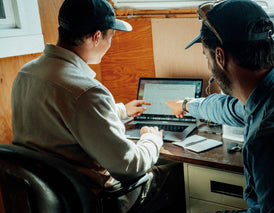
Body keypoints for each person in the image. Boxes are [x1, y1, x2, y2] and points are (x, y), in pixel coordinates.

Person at [11, 0, 185, 212]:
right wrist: (152, 140)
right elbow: (129, 167)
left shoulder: (27, 73)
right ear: (96, 37)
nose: (110, 44)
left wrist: (120, 110)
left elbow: (64, 117)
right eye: (111, 36)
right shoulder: (87, 91)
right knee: (176, 174)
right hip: (93, 200)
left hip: (46, 198)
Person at [166, 0, 274, 212]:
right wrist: (186, 105)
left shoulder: (272, 138)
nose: (208, 65)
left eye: (206, 56)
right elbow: (229, 108)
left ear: (219, 57)